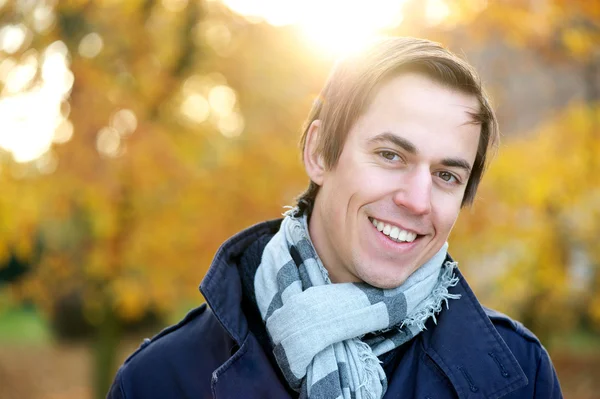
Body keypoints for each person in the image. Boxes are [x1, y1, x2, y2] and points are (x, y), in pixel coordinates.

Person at [107, 37, 562, 398]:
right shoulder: (159, 381)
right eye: (390, 155)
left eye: (446, 175)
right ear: (319, 153)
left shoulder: (521, 375)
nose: (418, 201)